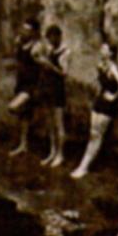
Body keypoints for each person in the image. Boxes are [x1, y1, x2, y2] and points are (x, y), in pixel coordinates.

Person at [71, 40, 118, 179]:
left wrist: (114, 97)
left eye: (105, 49)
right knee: (93, 133)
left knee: (97, 135)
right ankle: (83, 165)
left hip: (107, 105)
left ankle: (84, 167)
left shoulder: (113, 68)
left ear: (111, 53)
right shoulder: (101, 65)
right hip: (100, 101)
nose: (102, 50)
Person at [7, 18, 43, 157]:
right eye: (24, 29)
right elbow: (17, 59)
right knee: (24, 116)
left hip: (31, 84)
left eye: (27, 30)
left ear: (34, 32)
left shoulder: (36, 46)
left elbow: (40, 65)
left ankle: (33, 129)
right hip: (21, 82)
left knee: (13, 107)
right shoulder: (21, 43)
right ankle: (24, 144)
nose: (24, 32)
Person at [38, 24, 69, 168]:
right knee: (50, 123)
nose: (50, 42)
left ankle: (61, 153)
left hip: (58, 89)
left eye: (52, 39)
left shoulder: (66, 52)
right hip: (48, 88)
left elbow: (64, 73)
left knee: (58, 123)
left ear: (58, 37)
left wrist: (50, 66)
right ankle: (52, 151)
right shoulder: (50, 50)